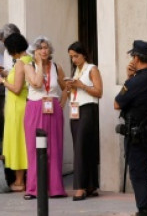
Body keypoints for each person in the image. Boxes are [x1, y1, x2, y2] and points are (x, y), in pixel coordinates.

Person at [115, 40, 147, 216]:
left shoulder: (136, 82)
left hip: (137, 135)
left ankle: (146, 210)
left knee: (137, 173)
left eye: (133, 56)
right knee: (142, 172)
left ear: (136, 58)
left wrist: (129, 78)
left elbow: (117, 103)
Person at [21, 36, 67, 199]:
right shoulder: (29, 66)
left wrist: (61, 103)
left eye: (46, 47)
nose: (44, 51)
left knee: (54, 148)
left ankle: (55, 188)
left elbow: (65, 86)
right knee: (35, 148)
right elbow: (37, 83)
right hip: (35, 107)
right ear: (34, 51)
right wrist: (40, 64)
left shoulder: (56, 67)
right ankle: (33, 189)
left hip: (53, 108)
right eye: (40, 48)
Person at [64, 41, 102, 201]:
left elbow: (99, 92)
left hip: (87, 109)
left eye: (76, 56)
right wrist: (69, 88)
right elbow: (73, 93)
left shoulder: (91, 69)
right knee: (83, 147)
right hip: (75, 109)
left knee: (81, 147)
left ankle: (80, 187)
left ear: (84, 55)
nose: (74, 60)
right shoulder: (76, 71)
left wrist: (81, 85)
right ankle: (91, 185)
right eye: (71, 57)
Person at [0, 32, 30, 192]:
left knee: (18, 143)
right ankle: (25, 178)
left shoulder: (21, 63)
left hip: (17, 106)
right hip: (22, 105)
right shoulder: (29, 60)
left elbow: (16, 88)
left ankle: (19, 180)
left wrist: (1, 80)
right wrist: (5, 74)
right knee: (23, 142)